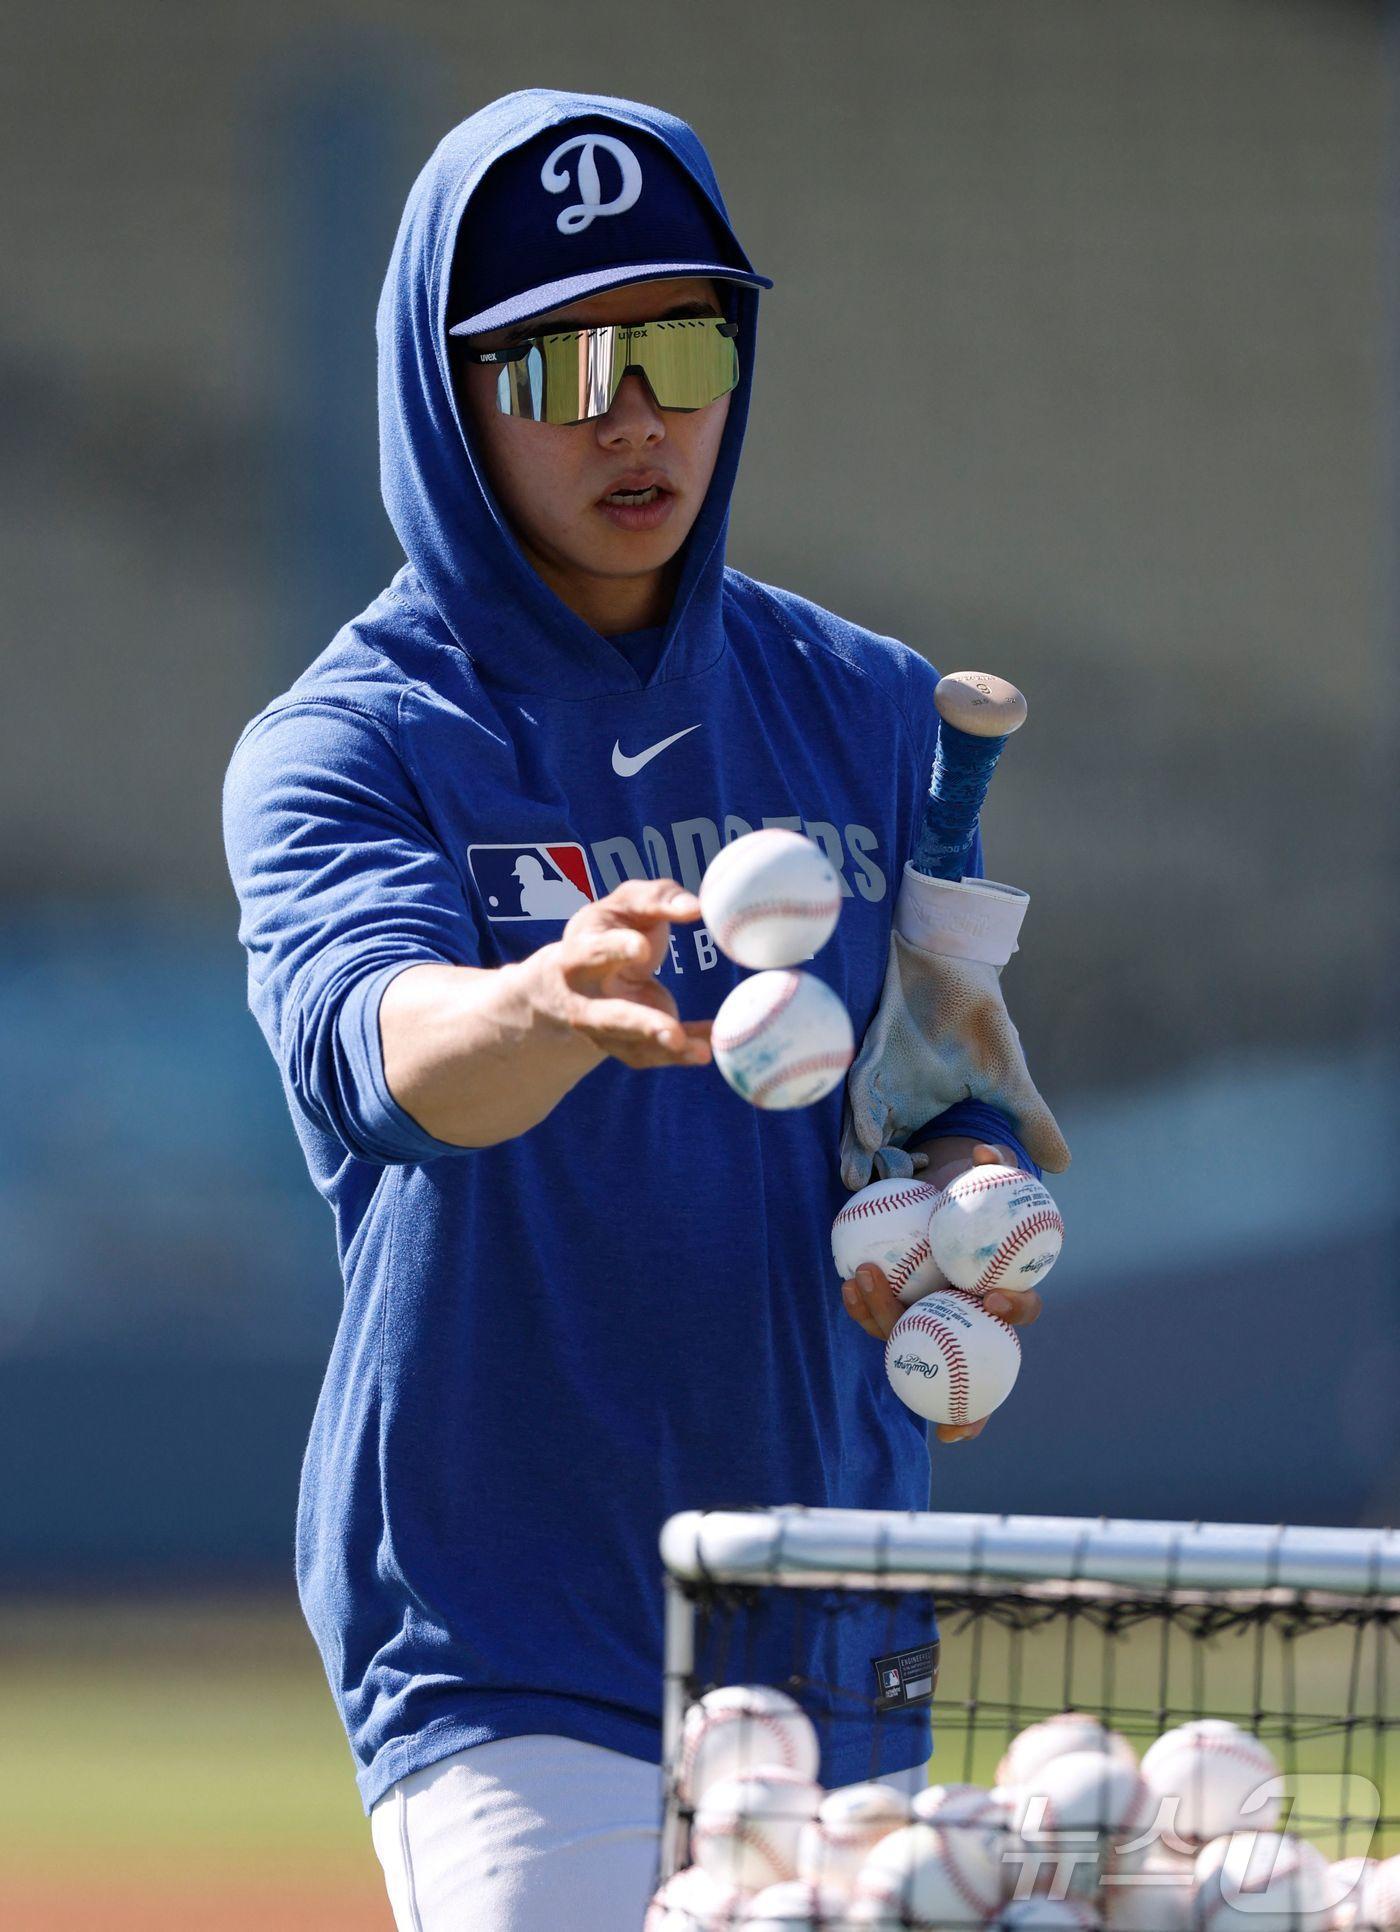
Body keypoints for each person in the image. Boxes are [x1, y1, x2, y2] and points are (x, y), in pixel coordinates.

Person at [223, 88, 1061, 1932]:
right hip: (510, 1620)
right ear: (448, 398)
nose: (635, 413)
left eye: (679, 341)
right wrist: (541, 1001)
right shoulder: (341, 747)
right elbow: (379, 1056)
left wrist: (971, 1212)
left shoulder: (871, 705)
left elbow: (936, 1088)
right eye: (558, 361)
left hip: (835, 1585)